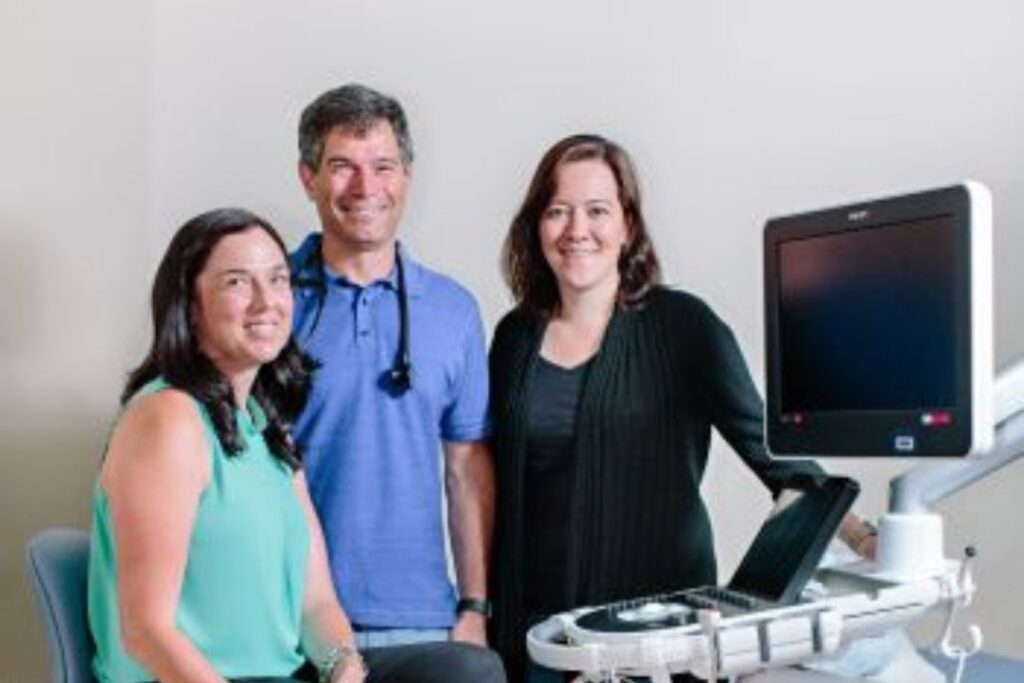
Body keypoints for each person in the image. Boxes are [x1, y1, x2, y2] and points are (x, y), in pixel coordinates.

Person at [487, 134, 879, 682]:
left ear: (627, 225)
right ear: (537, 225)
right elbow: (495, 485)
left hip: (656, 638)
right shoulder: (514, 338)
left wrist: (863, 536)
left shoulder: (685, 327)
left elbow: (770, 450)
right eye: (558, 211)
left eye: (597, 211)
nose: (577, 230)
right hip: (539, 638)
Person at [87, 208, 365, 682]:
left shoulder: (267, 430)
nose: (267, 302)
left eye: (278, 280)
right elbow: (147, 631)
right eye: (237, 282)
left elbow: (316, 604)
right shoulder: (167, 419)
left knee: (461, 667)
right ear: (190, 307)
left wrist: (344, 669)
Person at [289, 84, 504, 681]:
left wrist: (474, 607)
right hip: (288, 628)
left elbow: (466, 469)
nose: (364, 188)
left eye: (383, 166)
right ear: (308, 178)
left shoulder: (453, 311)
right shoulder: (268, 302)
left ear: (406, 176)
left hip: (422, 625)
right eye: (342, 167)